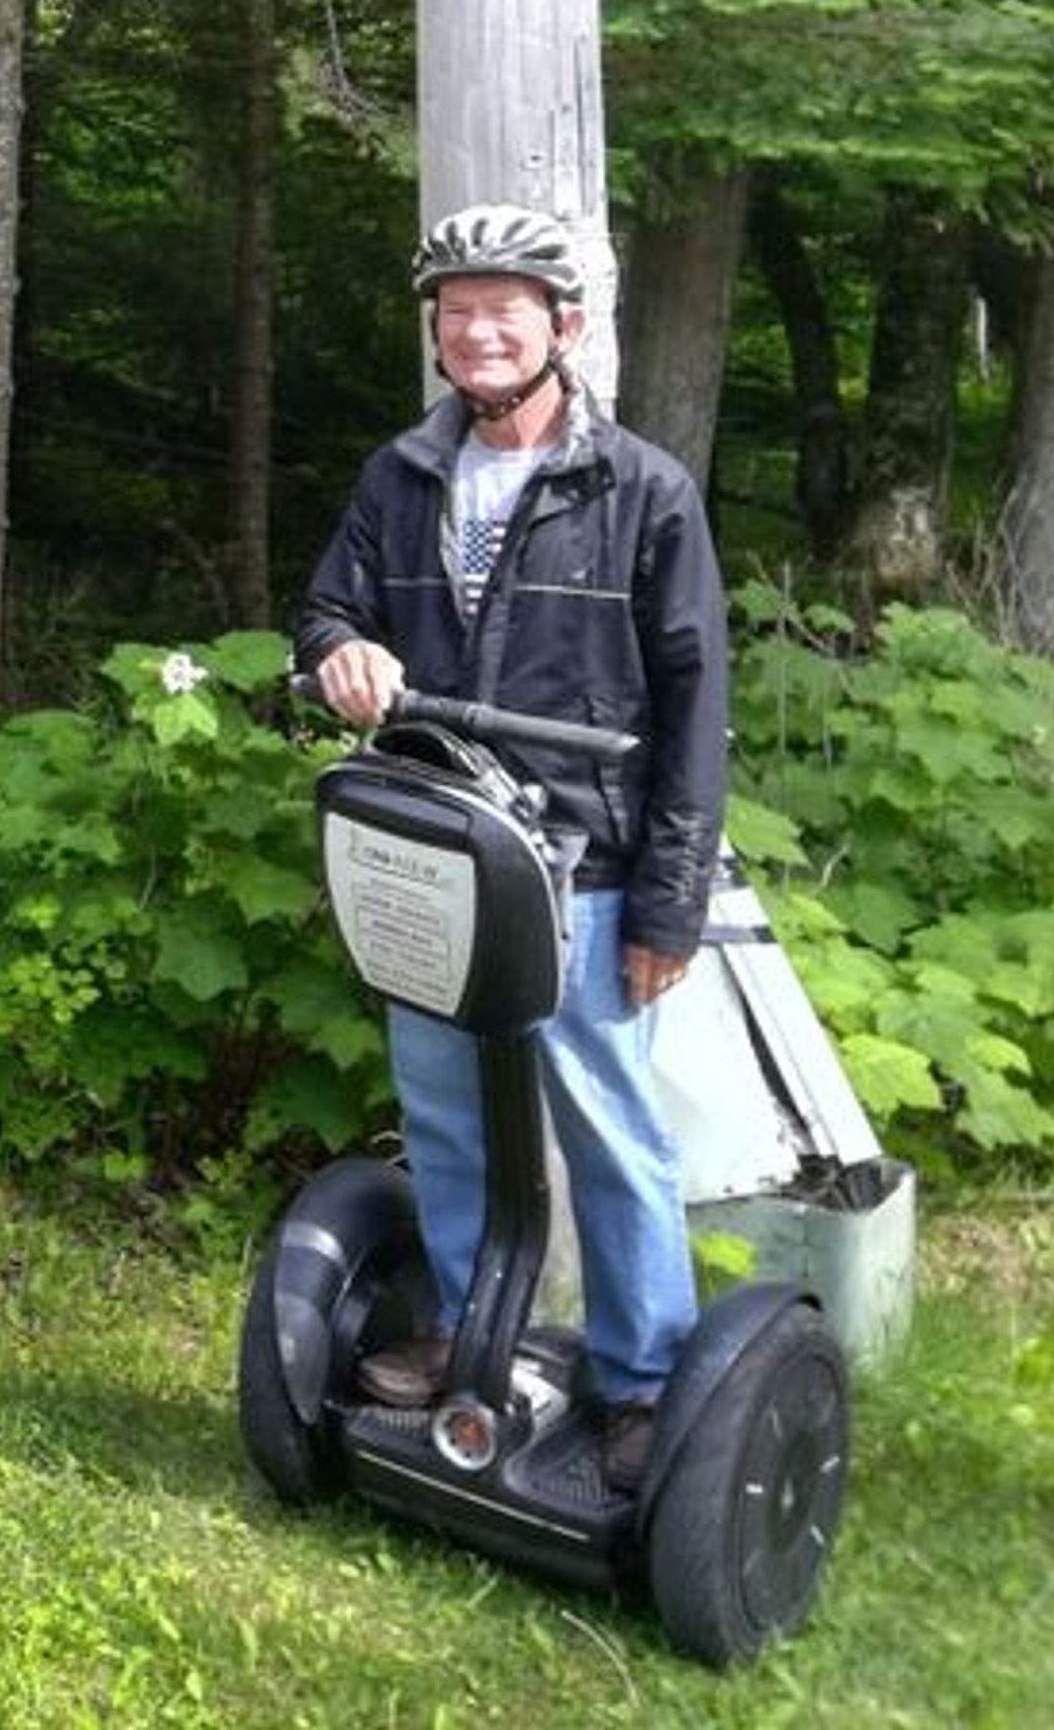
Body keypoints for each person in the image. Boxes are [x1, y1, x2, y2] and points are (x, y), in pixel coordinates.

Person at [294, 201, 728, 1496]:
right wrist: (340, 654)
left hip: (582, 860)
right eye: (458, 309)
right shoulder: (400, 475)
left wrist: (671, 902)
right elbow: (326, 609)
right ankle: (466, 1330)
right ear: (437, 330)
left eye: (507, 308)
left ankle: (641, 1381)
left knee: (606, 1124)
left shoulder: (642, 488)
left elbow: (697, 704)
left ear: (565, 328)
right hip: (436, 844)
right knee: (441, 1110)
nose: (479, 331)